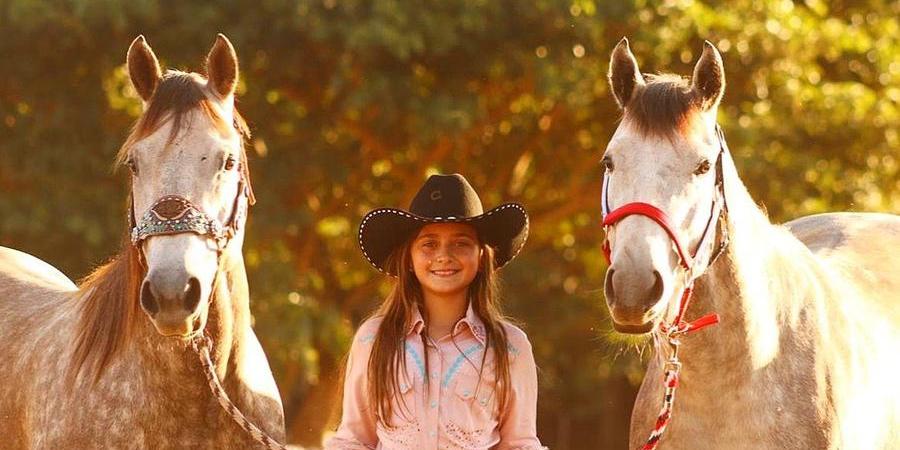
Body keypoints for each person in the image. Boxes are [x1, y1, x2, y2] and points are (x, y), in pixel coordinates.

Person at [326, 173, 544, 450]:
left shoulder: (510, 347)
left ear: (481, 257)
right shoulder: (374, 340)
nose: (443, 255)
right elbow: (354, 439)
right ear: (409, 258)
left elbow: (519, 444)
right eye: (429, 244)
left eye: (461, 243)